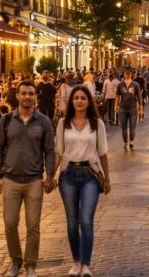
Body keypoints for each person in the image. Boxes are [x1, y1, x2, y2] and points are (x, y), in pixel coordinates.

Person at [0, 81, 57, 277]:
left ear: (35, 96)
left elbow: (50, 150)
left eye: (31, 93)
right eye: (24, 93)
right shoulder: (6, 120)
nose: (27, 97)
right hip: (10, 179)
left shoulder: (43, 121)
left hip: (34, 180)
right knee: (10, 224)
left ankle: (30, 265)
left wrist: (50, 176)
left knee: (33, 226)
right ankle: (15, 260)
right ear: (17, 96)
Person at [54, 86, 111, 277]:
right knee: (72, 222)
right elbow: (58, 151)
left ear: (89, 101)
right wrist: (50, 176)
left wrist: (107, 178)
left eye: (83, 98)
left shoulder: (97, 123)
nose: (79, 101)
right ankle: (76, 262)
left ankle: (86, 264)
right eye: (76, 98)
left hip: (90, 175)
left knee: (86, 220)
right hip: (68, 175)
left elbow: (103, 152)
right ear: (71, 101)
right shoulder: (63, 123)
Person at [115, 70, 143, 151]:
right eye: (125, 74)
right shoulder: (120, 85)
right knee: (123, 127)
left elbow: (139, 96)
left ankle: (131, 141)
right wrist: (116, 105)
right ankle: (125, 143)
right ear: (124, 75)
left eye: (128, 74)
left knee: (132, 127)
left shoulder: (135, 85)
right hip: (122, 108)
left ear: (131, 75)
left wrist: (141, 108)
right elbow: (117, 96)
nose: (127, 75)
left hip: (133, 108)